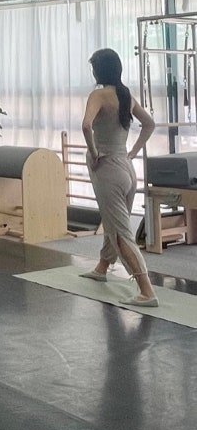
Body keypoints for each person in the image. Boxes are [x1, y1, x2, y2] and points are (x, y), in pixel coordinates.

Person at [80, 48, 158, 306]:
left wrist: (94, 153)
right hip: (126, 167)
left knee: (120, 231)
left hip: (108, 169)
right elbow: (149, 124)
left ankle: (147, 291)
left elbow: (86, 125)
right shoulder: (125, 95)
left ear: (99, 71)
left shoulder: (98, 95)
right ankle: (102, 267)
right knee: (112, 221)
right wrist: (132, 152)